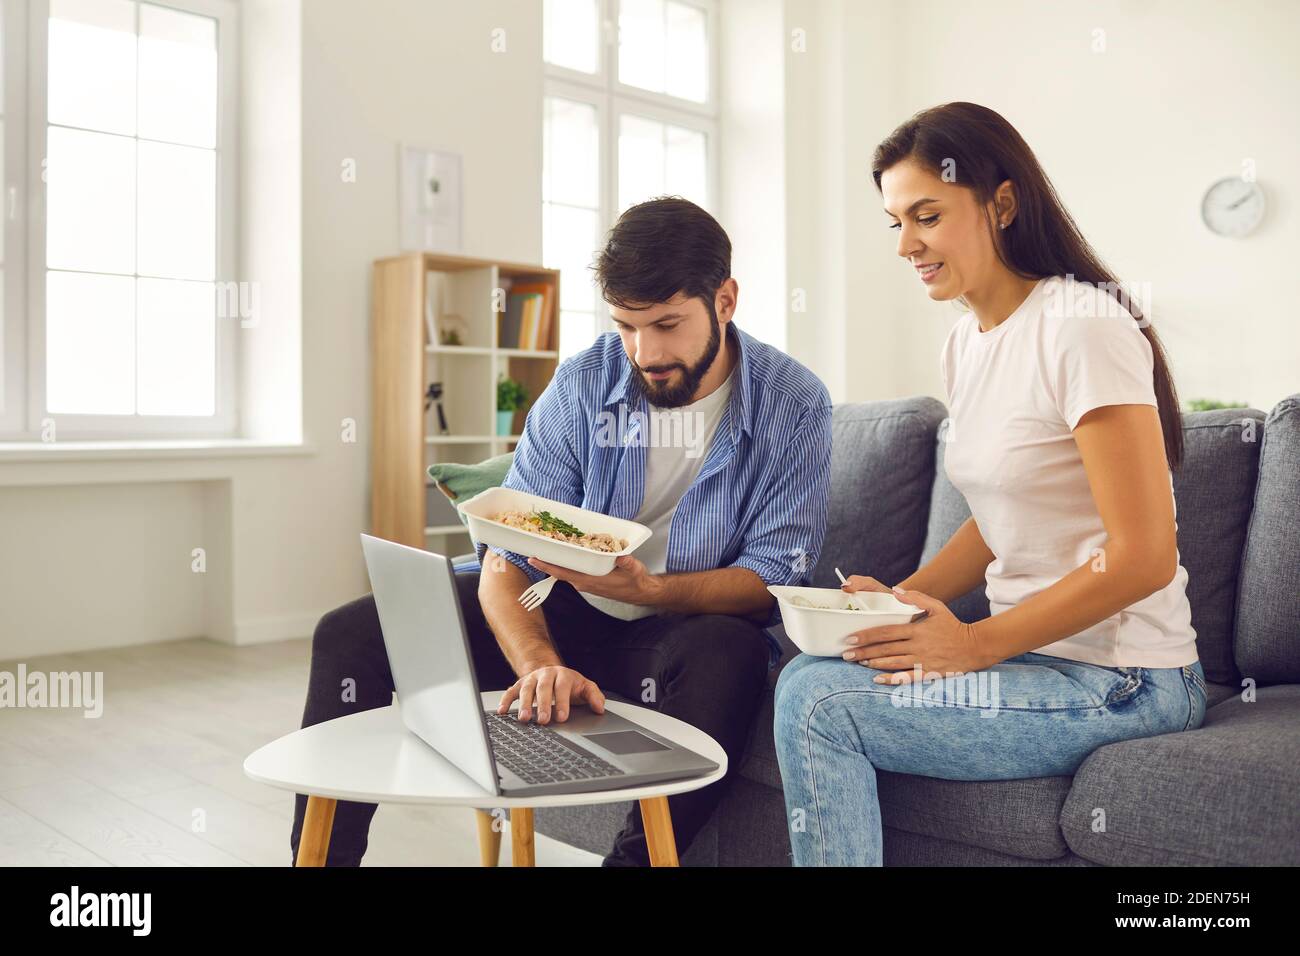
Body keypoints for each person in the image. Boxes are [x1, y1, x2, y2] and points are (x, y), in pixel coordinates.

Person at [291, 196, 833, 866]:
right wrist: (540, 666)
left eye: (667, 324)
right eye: (628, 327)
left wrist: (651, 590)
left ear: (725, 300)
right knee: (350, 633)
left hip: (678, 634)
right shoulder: (584, 382)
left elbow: (771, 582)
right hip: (559, 609)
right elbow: (503, 555)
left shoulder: (795, 404)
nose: (646, 352)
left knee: (733, 655)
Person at [773, 102, 1208, 866]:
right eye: (895, 222)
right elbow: (999, 514)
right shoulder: (965, 345)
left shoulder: (1083, 327)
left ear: (1001, 203)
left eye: (928, 215)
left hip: (1125, 678)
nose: (907, 244)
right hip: (1037, 661)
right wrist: (900, 600)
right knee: (815, 666)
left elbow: (1141, 555)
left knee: (818, 705)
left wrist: (973, 645)